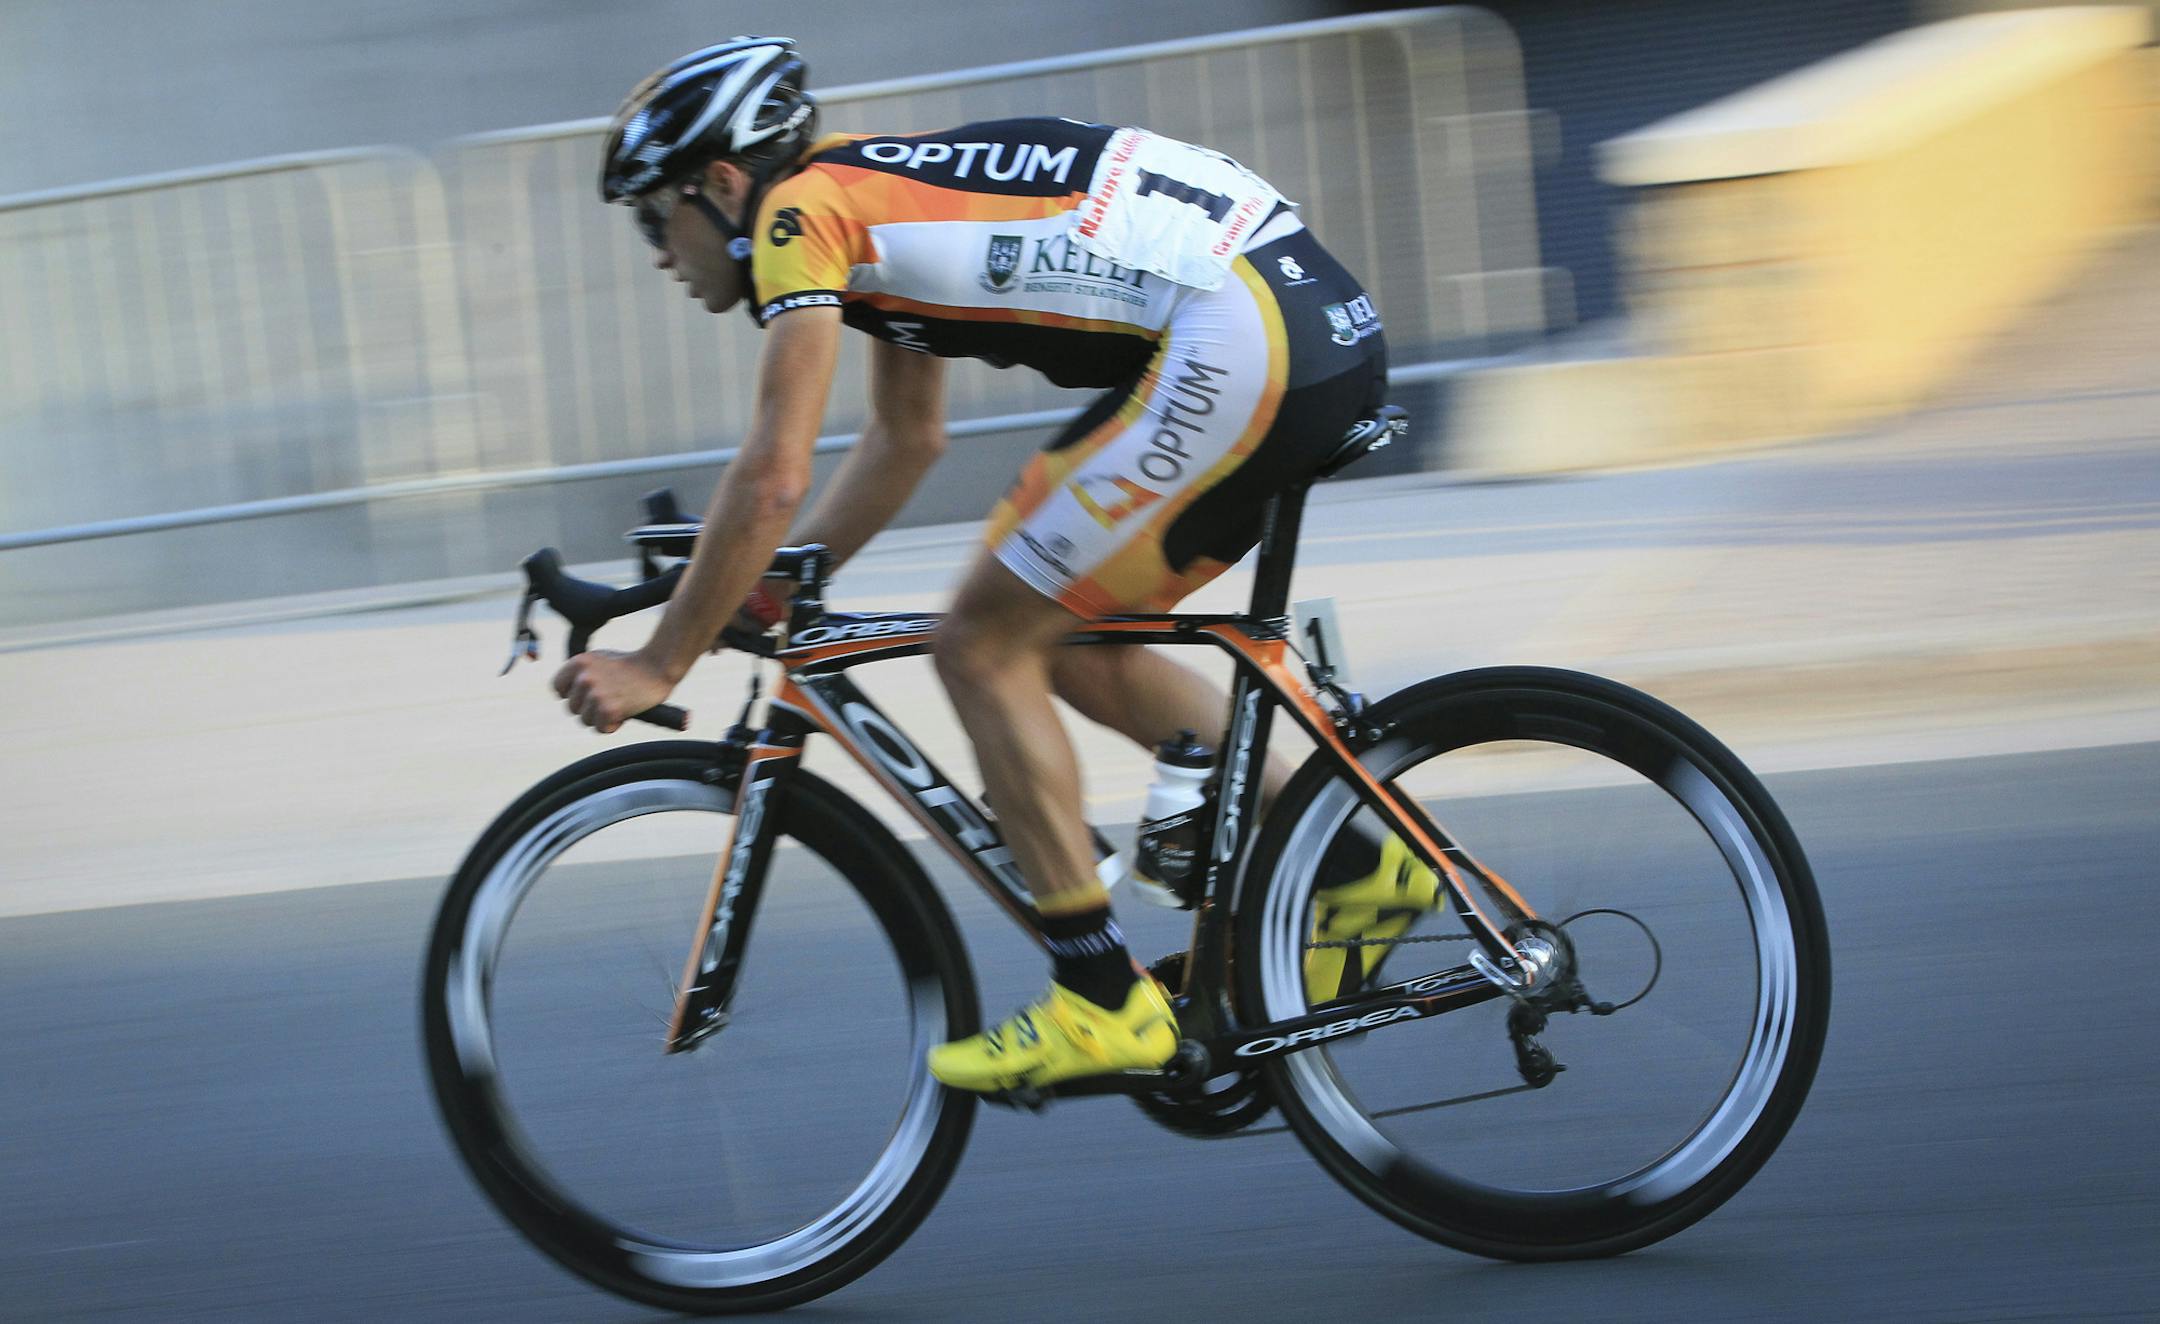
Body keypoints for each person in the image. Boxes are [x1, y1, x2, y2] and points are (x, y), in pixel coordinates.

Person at [555, 37, 1432, 1095]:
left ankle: (1101, 1001)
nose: (659, 252)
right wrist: (775, 584)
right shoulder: (862, 193)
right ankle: (1355, 869)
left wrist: (659, 661)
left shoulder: (797, 219)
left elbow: (774, 474)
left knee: (979, 643)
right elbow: (904, 441)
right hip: (1295, 327)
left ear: (726, 184)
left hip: (1245, 335)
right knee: (1057, 639)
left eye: (657, 216)